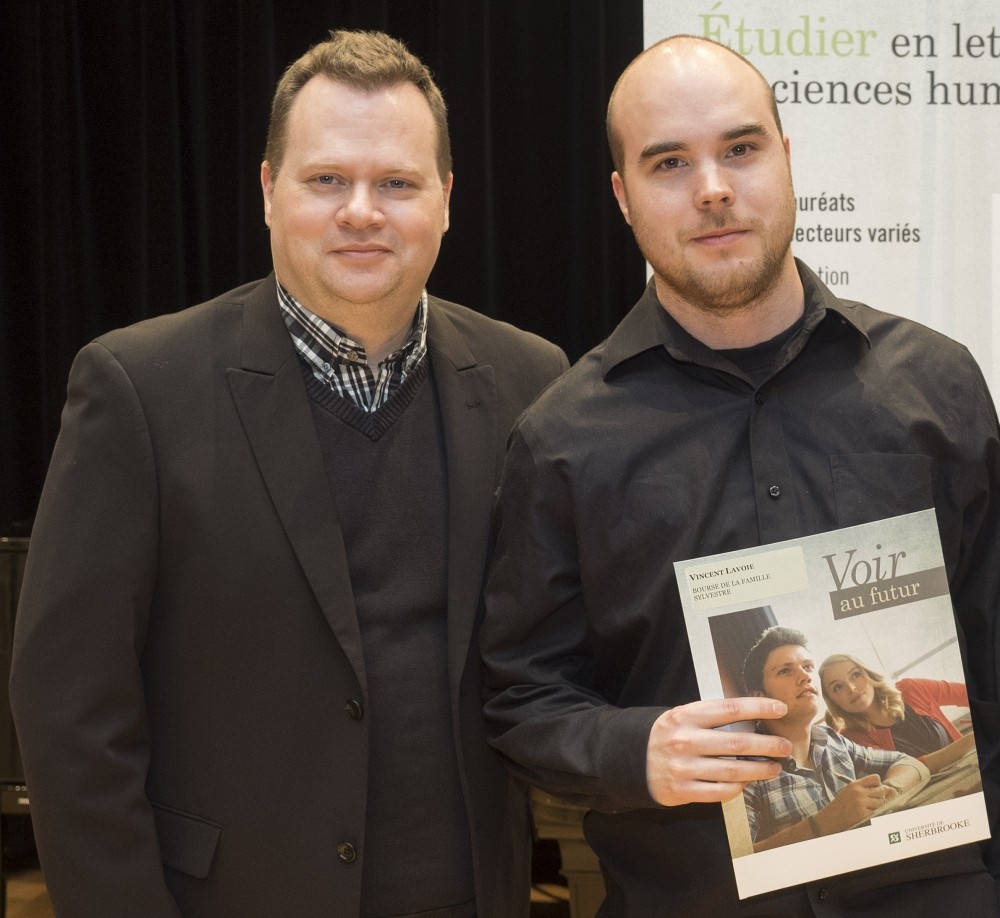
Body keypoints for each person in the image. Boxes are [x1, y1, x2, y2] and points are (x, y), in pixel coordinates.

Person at [10, 29, 567, 918]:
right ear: (268, 191)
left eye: (397, 182)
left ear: (447, 199)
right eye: (325, 180)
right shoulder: (138, 389)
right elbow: (70, 711)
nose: (361, 211)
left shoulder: (531, 380)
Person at [480, 34, 1000, 915]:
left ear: (787, 159)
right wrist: (631, 749)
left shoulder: (937, 385)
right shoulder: (562, 440)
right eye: (669, 163)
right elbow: (520, 692)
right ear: (624, 197)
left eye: (741, 149)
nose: (713, 187)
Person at [741, 628, 928, 851]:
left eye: (808, 666)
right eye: (785, 671)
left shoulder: (831, 740)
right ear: (759, 699)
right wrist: (821, 825)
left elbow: (908, 762)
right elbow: (738, 861)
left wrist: (889, 791)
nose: (805, 676)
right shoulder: (743, 773)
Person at [820, 653, 977, 773]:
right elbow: (912, 769)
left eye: (855, 675)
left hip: (971, 771)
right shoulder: (849, 740)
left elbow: (971, 694)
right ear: (833, 701)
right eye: (837, 687)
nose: (851, 688)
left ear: (868, 674)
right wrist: (970, 741)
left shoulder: (911, 689)